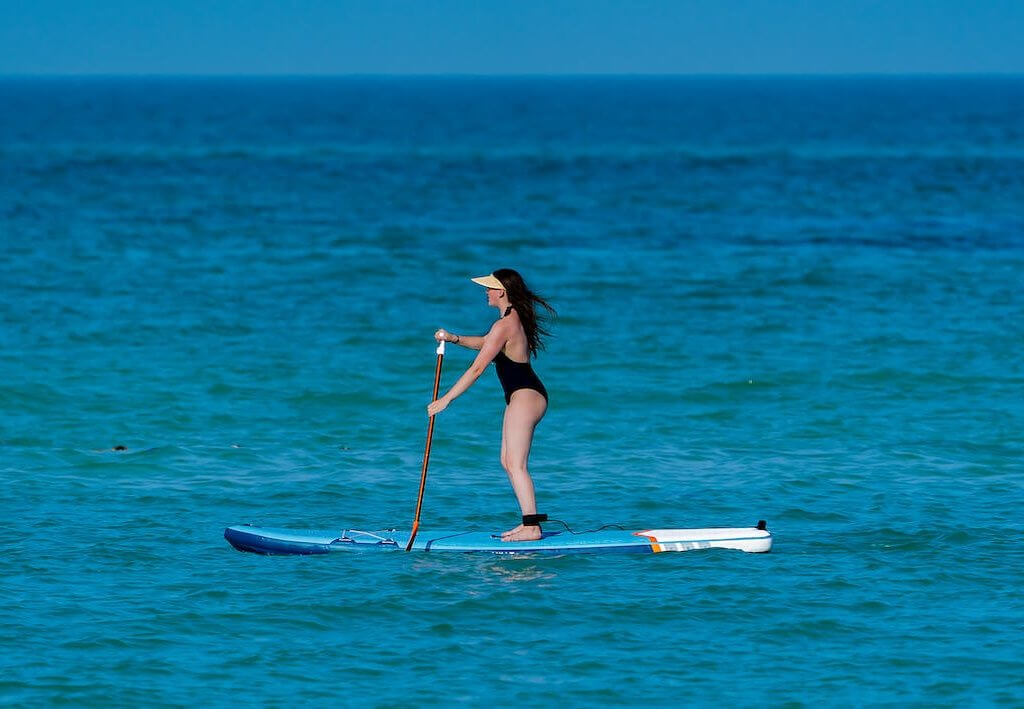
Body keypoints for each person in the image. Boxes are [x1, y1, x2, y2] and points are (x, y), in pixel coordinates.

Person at [427, 269, 555, 542]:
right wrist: (454, 338)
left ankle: (532, 527)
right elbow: (486, 344)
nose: (485, 292)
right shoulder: (509, 320)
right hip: (524, 394)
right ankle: (528, 522)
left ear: (501, 292)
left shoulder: (505, 325)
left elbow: (477, 368)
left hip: (525, 394)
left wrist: (445, 400)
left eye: (489, 288)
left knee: (516, 464)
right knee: (508, 462)